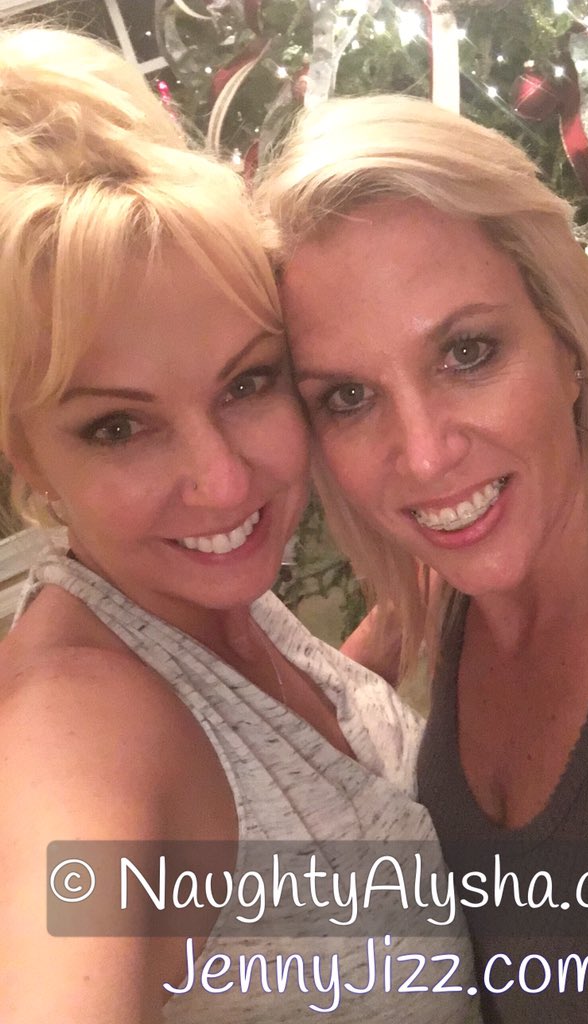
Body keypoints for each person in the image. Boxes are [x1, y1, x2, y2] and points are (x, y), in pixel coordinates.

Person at [0, 32, 481, 1023]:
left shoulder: (202, 601)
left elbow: (271, 765)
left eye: (246, 383)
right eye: (118, 426)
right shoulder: (77, 730)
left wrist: (398, 624)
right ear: (27, 456)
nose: (222, 483)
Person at [257, 93, 588, 1021]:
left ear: (568, 340)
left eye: (467, 352)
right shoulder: (458, 583)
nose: (424, 457)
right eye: (349, 398)